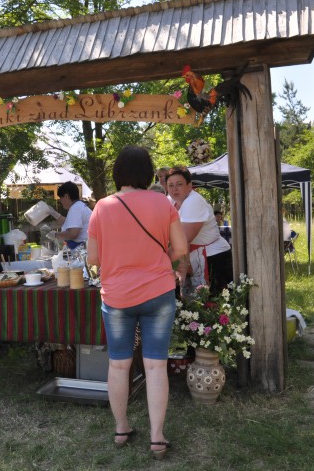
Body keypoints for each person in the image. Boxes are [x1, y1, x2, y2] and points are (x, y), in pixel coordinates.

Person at [87, 146, 187, 460]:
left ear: (118, 173)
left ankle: (121, 429)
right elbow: (181, 248)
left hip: (117, 296)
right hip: (158, 292)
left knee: (119, 364)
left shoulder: (102, 206)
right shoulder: (162, 202)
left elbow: (93, 258)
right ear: (147, 172)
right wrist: (157, 260)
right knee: (156, 364)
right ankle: (157, 437)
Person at [166, 166, 233, 295]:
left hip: (213, 258)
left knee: (214, 304)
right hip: (189, 255)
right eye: (170, 185)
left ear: (189, 186)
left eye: (179, 184)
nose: (174, 189)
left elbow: (184, 239)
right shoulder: (170, 200)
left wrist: (162, 260)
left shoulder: (194, 201)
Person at [47, 181, 91, 250]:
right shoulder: (79, 206)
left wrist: (56, 235)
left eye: (60, 198)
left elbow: (73, 234)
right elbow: (69, 222)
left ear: (66, 196)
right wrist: (53, 213)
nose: (60, 201)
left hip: (83, 249)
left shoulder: (75, 208)